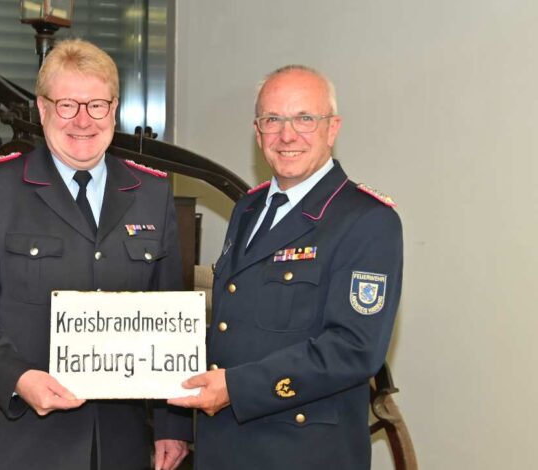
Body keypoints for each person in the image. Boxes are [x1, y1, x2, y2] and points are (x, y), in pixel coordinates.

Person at [0, 38, 191, 470]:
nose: (82, 121)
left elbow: (167, 321)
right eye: (67, 105)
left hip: (119, 447)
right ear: (42, 109)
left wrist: (173, 423)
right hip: (20, 444)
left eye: (96, 105)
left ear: (114, 110)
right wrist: (19, 379)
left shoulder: (151, 194)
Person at [169, 65, 403, 469]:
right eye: (272, 119)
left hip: (301, 453)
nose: (287, 134)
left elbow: (354, 349)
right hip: (224, 446)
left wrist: (236, 388)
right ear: (257, 131)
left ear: (332, 128)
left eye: (304, 119)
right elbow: (233, 325)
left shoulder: (367, 220)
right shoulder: (249, 208)